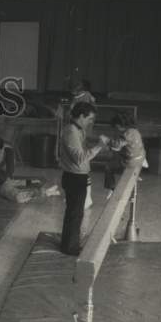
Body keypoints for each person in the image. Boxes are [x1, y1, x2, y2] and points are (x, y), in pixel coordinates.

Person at [58, 102, 109, 256]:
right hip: (74, 177)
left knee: (76, 213)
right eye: (89, 118)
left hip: (78, 176)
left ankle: (69, 245)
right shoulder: (71, 131)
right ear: (81, 116)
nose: (91, 122)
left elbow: (83, 151)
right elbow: (80, 159)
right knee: (74, 213)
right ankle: (69, 248)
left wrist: (101, 145)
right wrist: (99, 145)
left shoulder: (78, 130)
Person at [104, 112, 146, 196]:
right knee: (119, 154)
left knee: (108, 167)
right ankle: (135, 175)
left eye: (117, 127)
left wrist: (107, 140)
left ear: (120, 124)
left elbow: (117, 145)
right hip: (140, 158)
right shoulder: (135, 131)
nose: (117, 129)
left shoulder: (127, 133)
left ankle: (112, 188)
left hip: (131, 162)